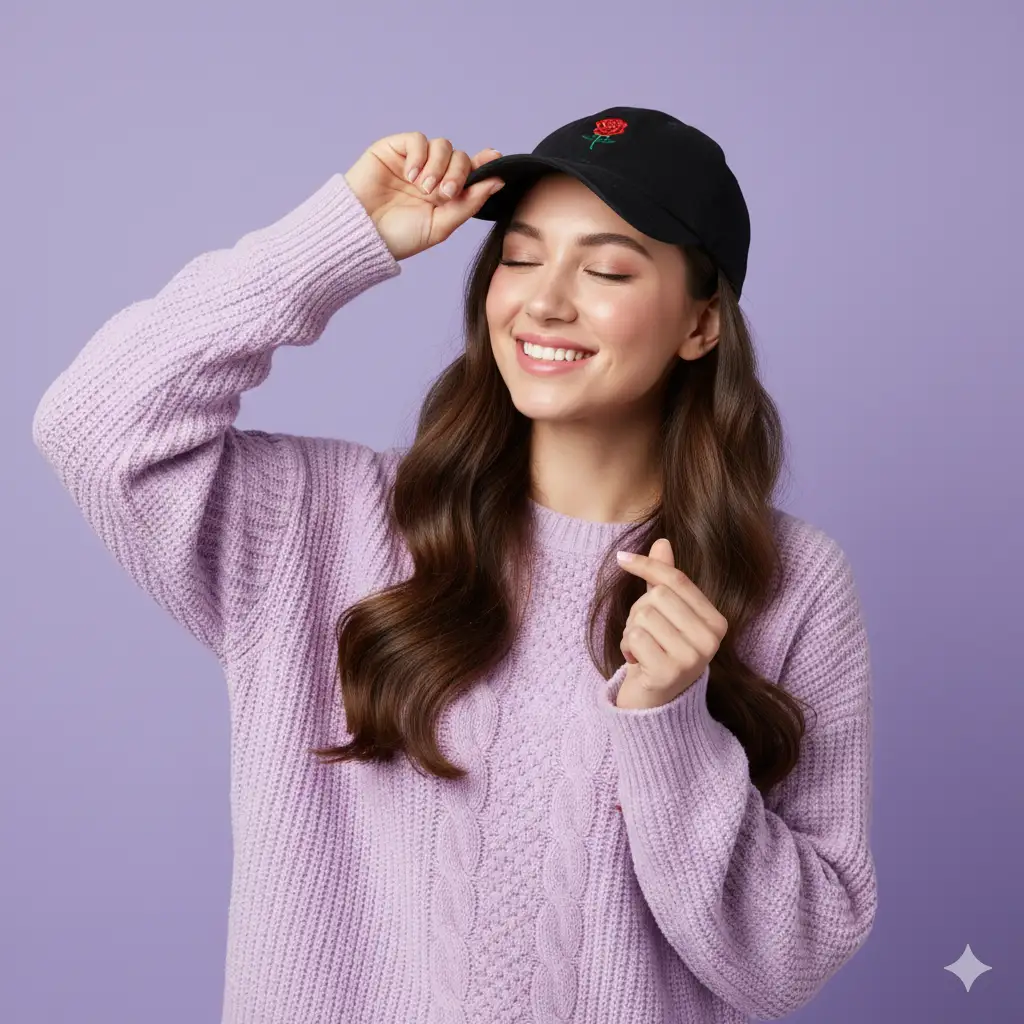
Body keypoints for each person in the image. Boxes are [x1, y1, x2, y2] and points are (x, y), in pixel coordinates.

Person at [33, 106, 877, 1023]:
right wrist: (336, 239)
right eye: (518, 257)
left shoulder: (789, 581)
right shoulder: (322, 524)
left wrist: (674, 733)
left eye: (605, 268)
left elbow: (788, 965)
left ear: (700, 325)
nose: (544, 300)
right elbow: (95, 426)